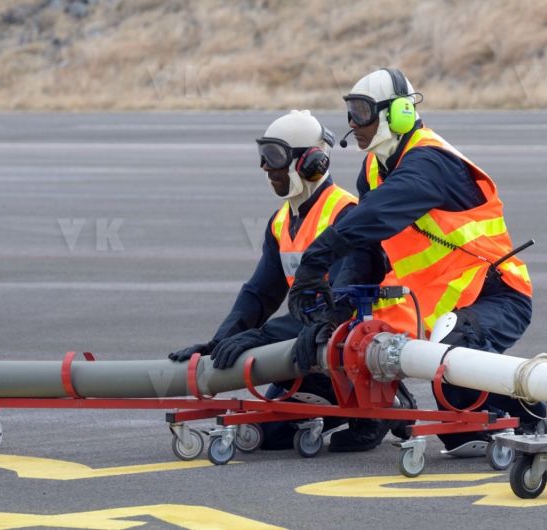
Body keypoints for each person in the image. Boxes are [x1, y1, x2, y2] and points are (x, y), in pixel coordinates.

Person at [288, 68, 544, 455]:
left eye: (363, 112)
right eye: (350, 113)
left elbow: (374, 217)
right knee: (351, 343)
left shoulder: (429, 161)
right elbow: (367, 249)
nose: (353, 124)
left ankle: (538, 415)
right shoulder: (373, 169)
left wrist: (314, 260)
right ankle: (383, 414)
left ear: (400, 113)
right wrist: (338, 306)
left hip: (496, 294)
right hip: (437, 302)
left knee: (453, 361)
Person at [167, 109, 413, 451]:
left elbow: (339, 305)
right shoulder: (282, 221)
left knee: (282, 406)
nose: (265, 167)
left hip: (364, 347)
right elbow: (259, 293)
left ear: (311, 163)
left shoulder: (347, 216)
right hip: (315, 341)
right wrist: (219, 342)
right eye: (263, 155)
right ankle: (342, 406)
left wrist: (260, 337)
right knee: (267, 435)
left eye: (275, 156)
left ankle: (380, 407)